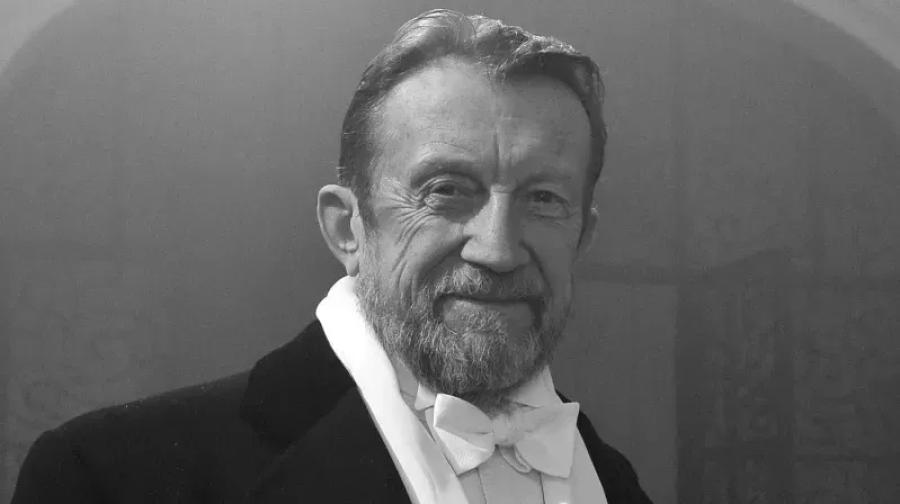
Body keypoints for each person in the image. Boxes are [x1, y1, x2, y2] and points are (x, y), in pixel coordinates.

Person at [12, 9, 652, 504]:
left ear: (582, 236)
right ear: (348, 229)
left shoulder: (617, 484)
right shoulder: (107, 478)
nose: (498, 249)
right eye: (447, 191)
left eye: (543, 199)